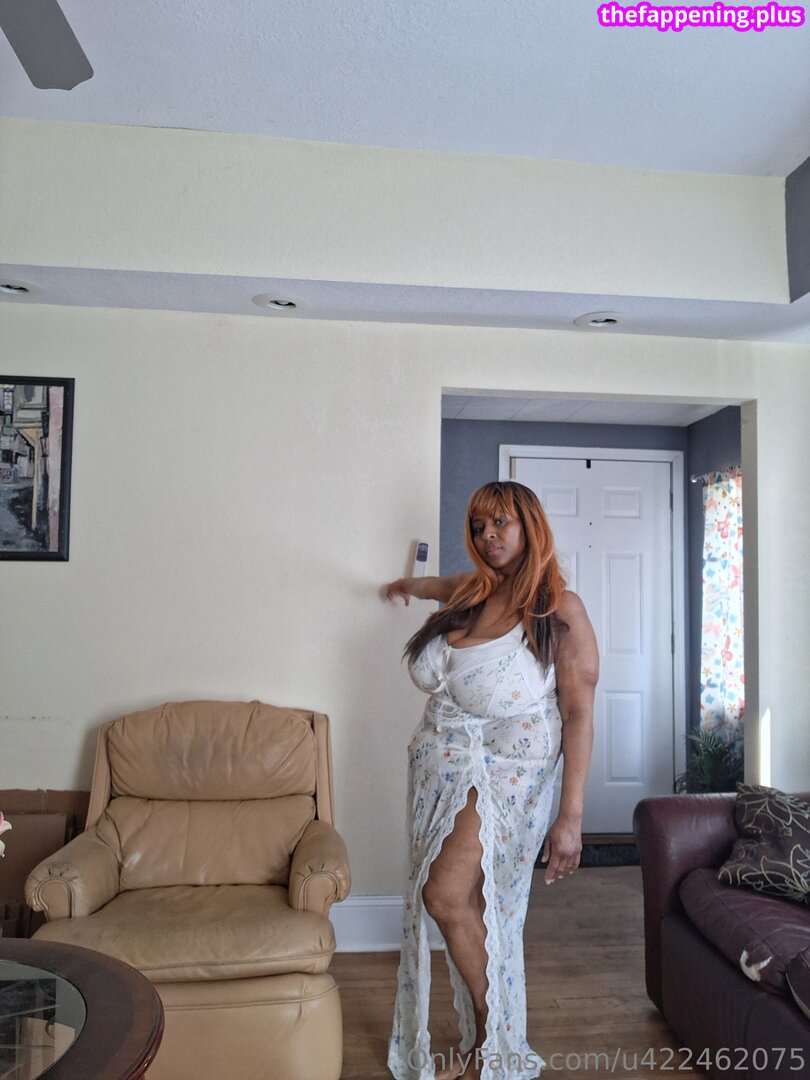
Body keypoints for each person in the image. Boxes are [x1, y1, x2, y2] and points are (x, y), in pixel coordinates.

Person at [385, 481, 598, 1080]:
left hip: (506, 774)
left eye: (501, 523)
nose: (487, 536)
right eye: (479, 526)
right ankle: (489, 1048)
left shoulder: (560, 608)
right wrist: (404, 586)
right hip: (443, 768)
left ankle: (495, 1041)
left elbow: (579, 713)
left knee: (447, 896)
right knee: (467, 904)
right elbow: (437, 585)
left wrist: (571, 818)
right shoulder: (473, 590)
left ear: (531, 526)